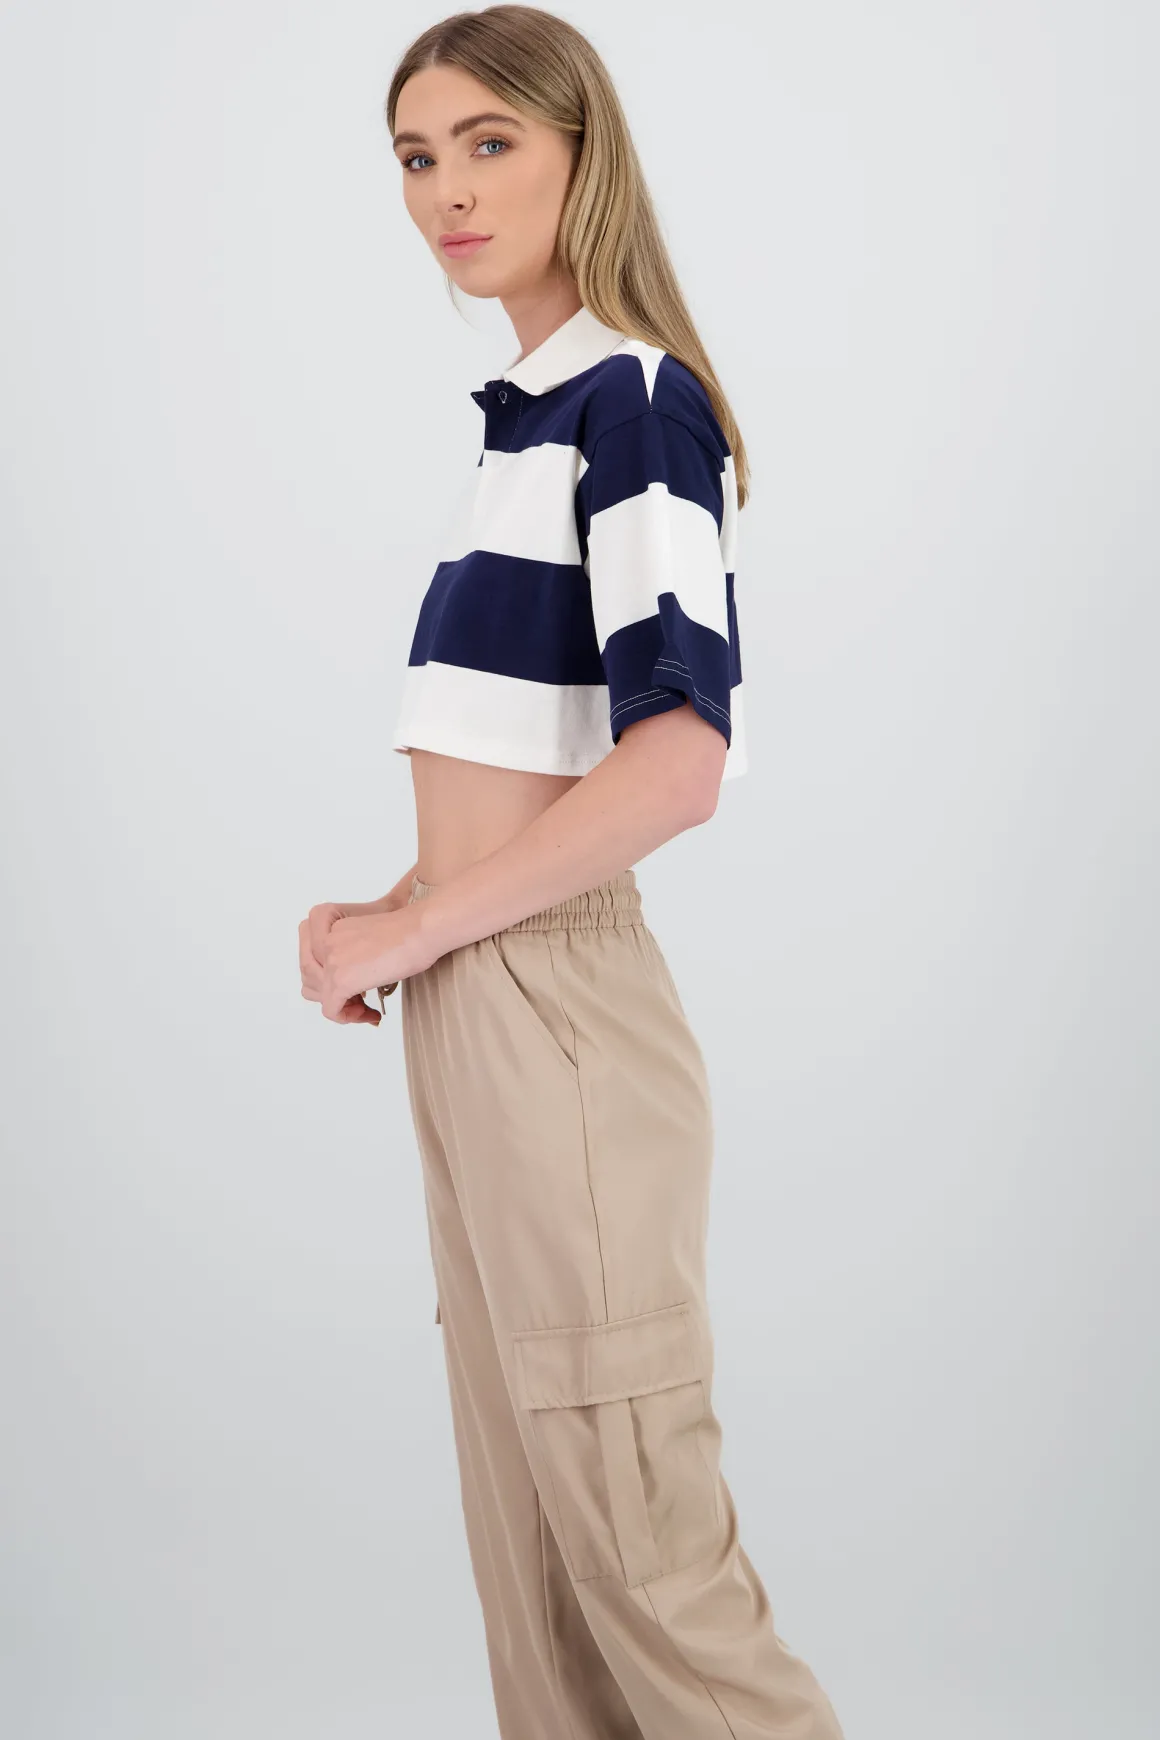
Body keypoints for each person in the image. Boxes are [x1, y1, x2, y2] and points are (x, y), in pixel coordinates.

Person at [298, 7, 846, 1736]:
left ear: (581, 155)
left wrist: (427, 927)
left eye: (489, 144)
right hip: (479, 994)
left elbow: (679, 761)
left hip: (557, 1015)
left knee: (640, 1554)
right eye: (416, 157)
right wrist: (395, 909)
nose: (446, 192)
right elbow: (527, 776)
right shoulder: (525, 421)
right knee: (538, 1579)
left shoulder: (637, 400)